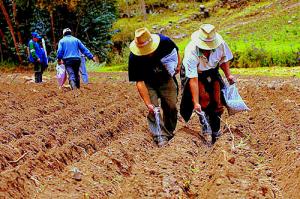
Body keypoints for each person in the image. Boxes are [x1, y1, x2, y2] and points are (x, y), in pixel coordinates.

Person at [180, 24, 235, 144]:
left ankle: (216, 129)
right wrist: (196, 102)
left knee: (217, 101)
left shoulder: (220, 45)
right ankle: (204, 120)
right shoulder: (191, 51)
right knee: (203, 98)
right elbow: (193, 79)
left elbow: (224, 59)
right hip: (195, 73)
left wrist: (228, 75)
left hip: (211, 70)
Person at [128, 27, 180, 147]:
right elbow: (139, 82)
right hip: (148, 82)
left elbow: (175, 51)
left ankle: (169, 131)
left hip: (166, 77)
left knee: (171, 106)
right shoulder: (134, 57)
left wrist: (177, 66)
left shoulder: (165, 42)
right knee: (154, 109)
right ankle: (160, 135)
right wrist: (148, 104)